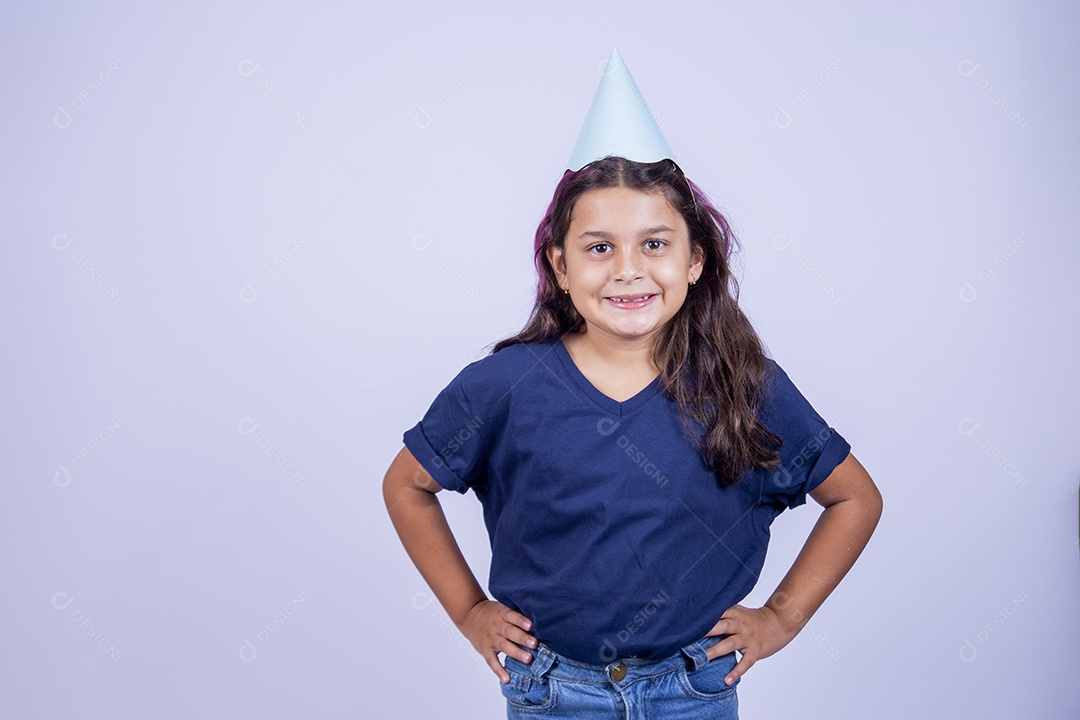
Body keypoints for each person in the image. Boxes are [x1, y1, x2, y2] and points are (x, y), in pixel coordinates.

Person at [382, 51, 882, 720]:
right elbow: (407, 484)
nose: (628, 270)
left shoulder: (744, 384)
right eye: (598, 247)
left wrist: (781, 618)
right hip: (552, 691)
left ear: (695, 259)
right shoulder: (504, 386)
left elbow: (854, 499)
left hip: (693, 692)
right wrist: (470, 611)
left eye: (654, 244)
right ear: (559, 266)